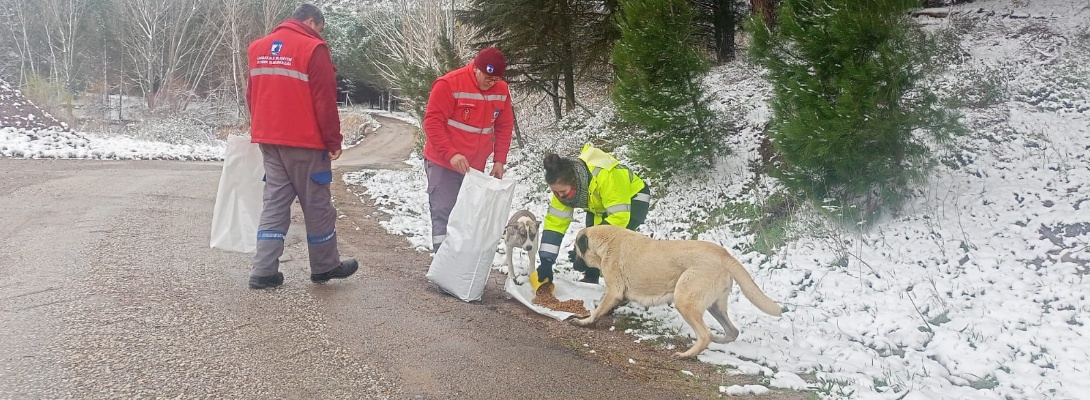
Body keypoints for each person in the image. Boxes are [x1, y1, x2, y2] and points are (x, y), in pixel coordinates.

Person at [245, 3, 357, 289]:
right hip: (306, 143)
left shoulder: (258, 47)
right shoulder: (313, 48)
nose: (320, 34)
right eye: (320, 28)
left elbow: (251, 95)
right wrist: (333, 140)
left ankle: (263, 271)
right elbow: (324, 100)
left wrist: (262, 128)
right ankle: (325, 266)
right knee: (317, 205)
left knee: (275, 203)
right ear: (310, 21)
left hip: (270, 141)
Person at [422, 47, 514, 253]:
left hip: (474, 168)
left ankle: (460, 261)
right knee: (444, 212)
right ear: (476, 69)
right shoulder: (449, 84)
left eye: (496, 79)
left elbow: (504, 126)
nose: (492, 83)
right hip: (443, 163)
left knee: (466, 216)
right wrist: (451, 154)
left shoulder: (501, 90)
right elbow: (433, 123)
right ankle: (442, 262)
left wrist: (499, 160)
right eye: (488, 78)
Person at [532, 145, 651, 287]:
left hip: (633, 201)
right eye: (555, 192)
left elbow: (619, 218)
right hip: (600, 205)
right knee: (590, 235)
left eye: (563, 192)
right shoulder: (563, 190)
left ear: (574, 181)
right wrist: (546, 261)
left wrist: (584, 250)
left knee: (615, 243)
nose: (560, 196)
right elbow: (555, 224)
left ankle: (624, 286)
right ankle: (591, 277)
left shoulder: (605, 175)